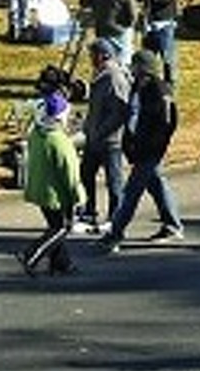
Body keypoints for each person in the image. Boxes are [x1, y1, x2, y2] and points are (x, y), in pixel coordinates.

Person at [98, 49, 184, 250]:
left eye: (135, 65)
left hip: (150, 150)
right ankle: (172, 225)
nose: (131, 68)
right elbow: (133, 115)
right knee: (156, 184)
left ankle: (116, 233)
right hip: (139, 148)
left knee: (131, 193)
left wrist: (155, 146)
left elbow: (167, 123)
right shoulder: (138, 86)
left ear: (144, 68)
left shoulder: (159, 90)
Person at [18, 92, 82, 277]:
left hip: (38, 187)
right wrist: (78, 197)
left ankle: (62, 264)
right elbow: (70, 175)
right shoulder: (60, 141)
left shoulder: (36, 133)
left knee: (54, 225)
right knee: (63, 228)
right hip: (55, 193)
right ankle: (31, 254)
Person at [76, 38, 130, 235]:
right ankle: (88, 212)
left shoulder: (114, 77)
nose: (90, 58)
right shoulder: (100, 74)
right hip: (94, 138)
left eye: (93, 54)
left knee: (114, 181)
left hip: (110, 140)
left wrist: (101, 131)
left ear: (102, 55)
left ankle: (116, 218)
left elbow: (120, 111)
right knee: (85, 175)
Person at [138, 0, 180, 82]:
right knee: (148, 56)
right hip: (149, 24)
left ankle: (170, 81)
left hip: (164, 24)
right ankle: (148, 80)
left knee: (167, 57)